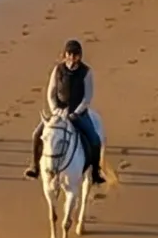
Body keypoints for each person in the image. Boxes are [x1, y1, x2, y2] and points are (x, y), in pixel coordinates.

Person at [28, 39, 105, 184]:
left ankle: (95, 172)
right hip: (58, 113)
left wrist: (75, 113)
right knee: (36, 135)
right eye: (69, 54)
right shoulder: (58, 70)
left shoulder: (86, 72)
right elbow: (51, 93)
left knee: (95, 139)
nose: (71, 58)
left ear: (79, 56)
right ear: (65, 54)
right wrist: (55, 110)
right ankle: (35, 167)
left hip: (78, 114)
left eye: (75, 55)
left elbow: (87, 97)